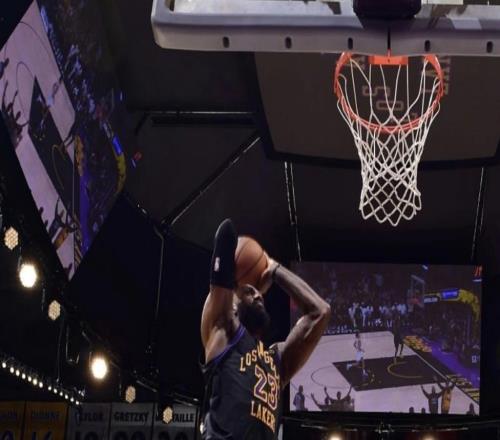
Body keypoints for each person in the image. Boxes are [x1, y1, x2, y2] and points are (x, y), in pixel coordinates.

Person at [201, 219, 331, 439]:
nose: (258, 295)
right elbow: (226, 232)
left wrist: (274, 269)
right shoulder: (223, 330)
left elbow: (320, 312)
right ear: (233, 303)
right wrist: (244, 272)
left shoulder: (277, 361)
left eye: (259, 293)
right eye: (249, 292)